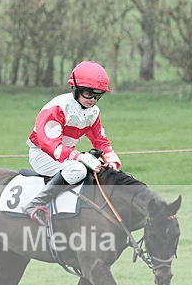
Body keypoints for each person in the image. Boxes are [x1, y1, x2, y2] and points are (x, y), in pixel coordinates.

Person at [21, 60, 121, 226]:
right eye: (89, 94)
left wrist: (112, 160)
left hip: (64, 155)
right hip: (42, 154)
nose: (93, 100)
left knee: (100, 171)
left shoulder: (93, 112)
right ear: (75, 88)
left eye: (98, 95)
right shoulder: (58, 107)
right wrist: (78, 156)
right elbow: (49, 144)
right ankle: (35, 204)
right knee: (79, 169)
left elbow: (100, 140)